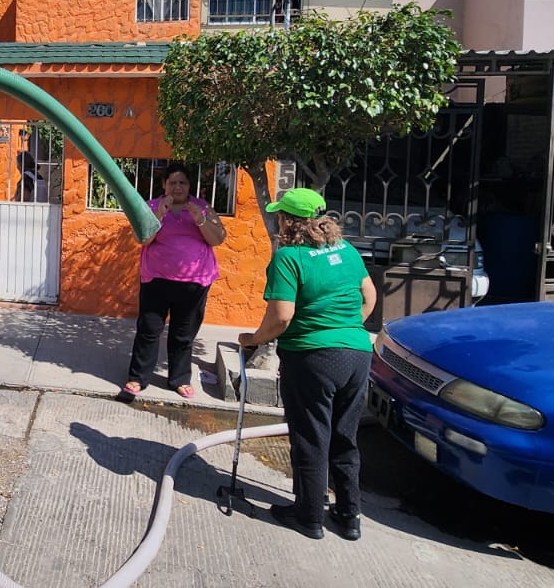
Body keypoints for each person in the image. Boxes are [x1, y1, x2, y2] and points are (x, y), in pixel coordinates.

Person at [238, 187, 377, 542]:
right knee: (345, 436)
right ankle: (349, 516)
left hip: (312, 357)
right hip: (357, 353)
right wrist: (346, 329)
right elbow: (369, 295)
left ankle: (309, 516)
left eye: (279, 215)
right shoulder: (345, 249)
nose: (277, 220)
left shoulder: (289, 257)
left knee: (311, 436)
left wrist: (253, 339)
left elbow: (282, 318)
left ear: (288, 220)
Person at [122, 164, 226, 401]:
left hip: (194, 283)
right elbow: (143, 239)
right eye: (173, 183)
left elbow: (217, 239)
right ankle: (138, 378)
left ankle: (179, 379)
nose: (177, 187)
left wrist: (200, 219)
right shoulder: (149, 207)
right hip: (156, 280)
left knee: (183, 334)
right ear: (164, 185)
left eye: (183, 183)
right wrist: (159, 213)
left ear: (189, 186)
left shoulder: (202, 207)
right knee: (148, 330)